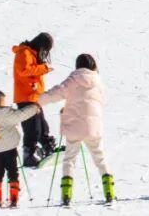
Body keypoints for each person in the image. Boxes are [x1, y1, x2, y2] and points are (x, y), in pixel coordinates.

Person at [37, 54, 115, 205]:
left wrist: (38, 100)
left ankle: (66, 195)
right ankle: (109, 192)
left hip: (74, 127)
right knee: (100, 158)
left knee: (69, 159)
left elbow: (56, 93)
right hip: (93, 127)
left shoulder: (73, 79)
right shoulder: (98, 82)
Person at [0, 90, 41, 208]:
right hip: (9, 149)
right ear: (0, 101)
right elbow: (22, 114)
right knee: (13, 172)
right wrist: (34, 107)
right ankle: (14, 199)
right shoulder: (6, 113)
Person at [11, 32, 56, 167]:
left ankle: (47, 147)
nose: (45, 53)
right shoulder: (24, 53)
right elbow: (24, 70)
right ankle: (28, 155)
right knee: (32, 127)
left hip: (34, 96)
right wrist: (43, 68)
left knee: (42, 125)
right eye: (46, 49)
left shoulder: (31, 54)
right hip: (26, 97)